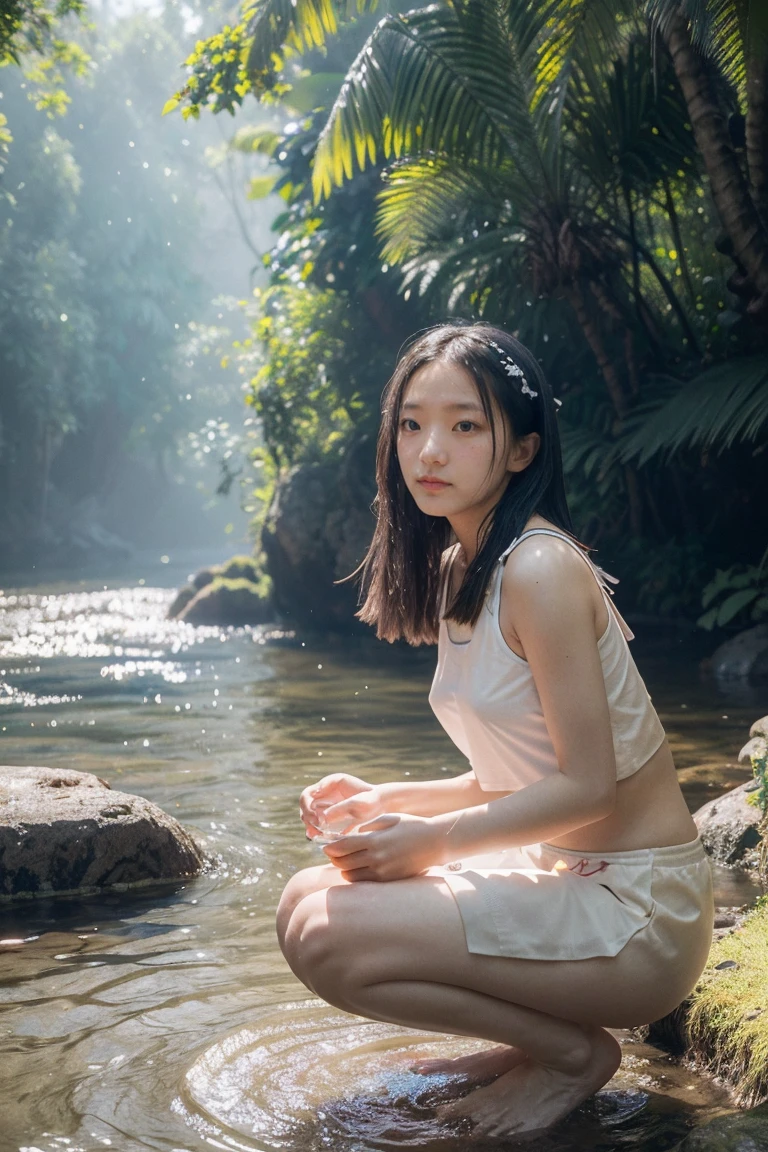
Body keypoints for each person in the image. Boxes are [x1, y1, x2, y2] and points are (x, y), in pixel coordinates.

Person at [275, 321, 714, 1139]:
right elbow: (523, 778)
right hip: (567, 869)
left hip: (638, 910)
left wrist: (432, 844)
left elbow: (588, 787)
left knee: (331, 937)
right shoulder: (462, 565)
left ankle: (570, 1055)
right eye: (412, 423)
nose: (429, 449)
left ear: (521, 451)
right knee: (305, 903)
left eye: (464, 425)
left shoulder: (541, 569)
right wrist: (386, 798)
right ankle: (535, 1043)